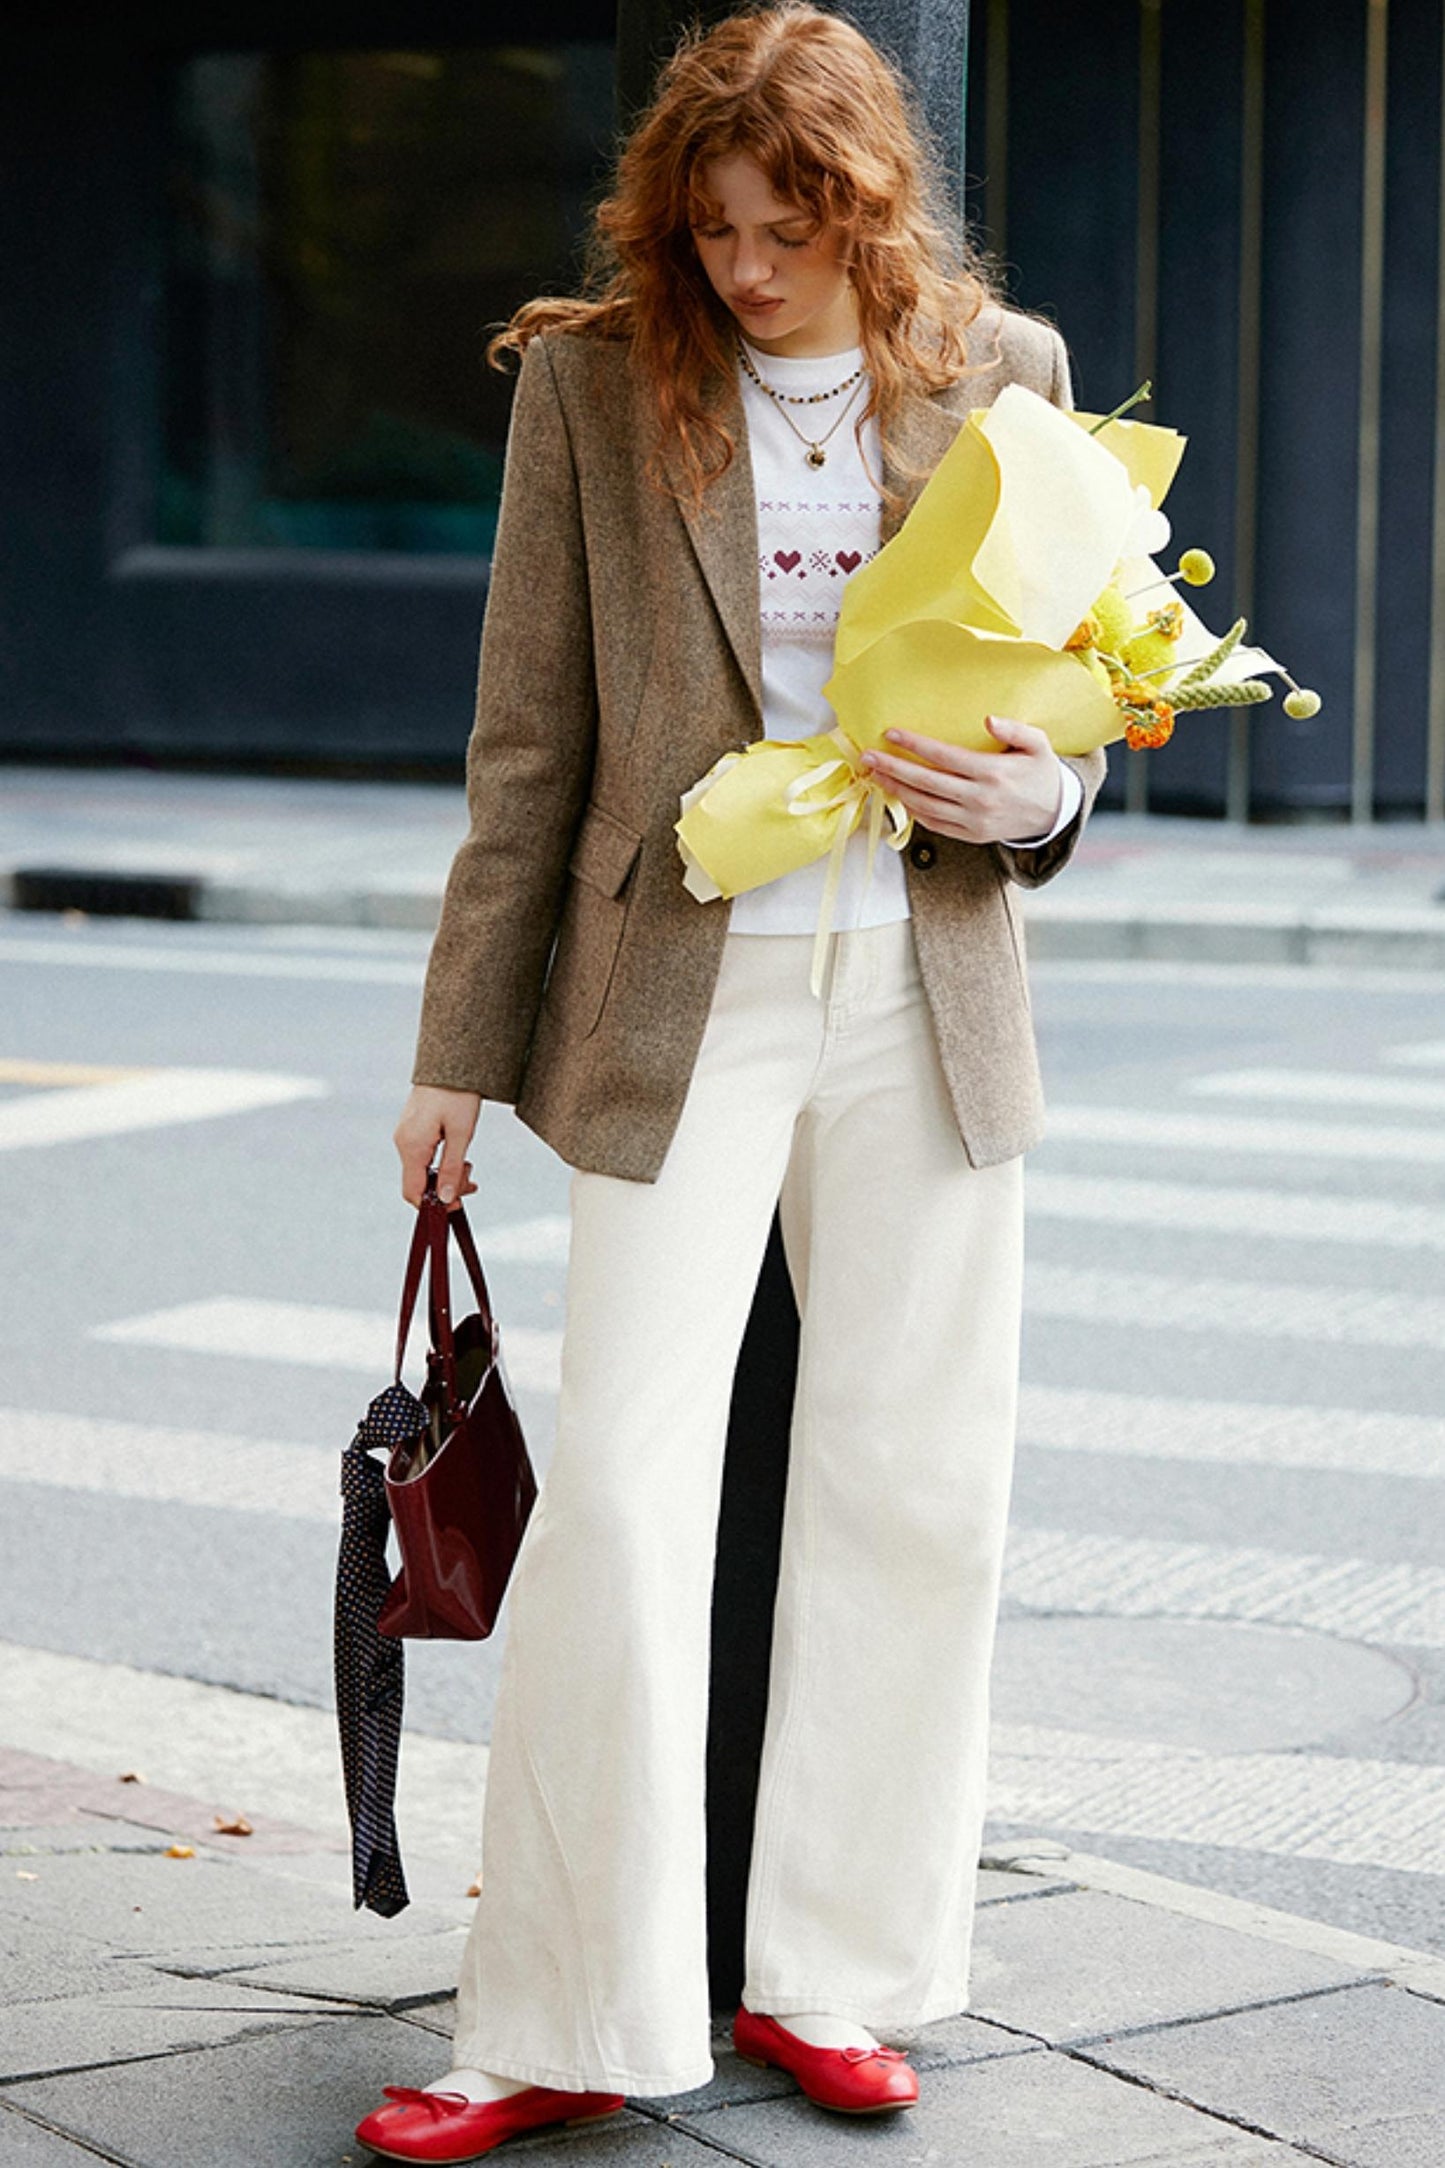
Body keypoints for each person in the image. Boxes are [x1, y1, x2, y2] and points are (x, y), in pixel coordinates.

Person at [364, 5, 1105, 2158]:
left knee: (915, 1486)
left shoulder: (1006, 378)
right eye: (712, 226)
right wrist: (449, 1054)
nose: (747, 268)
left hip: (925, 983)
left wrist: (1036, 786)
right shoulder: (594, 385)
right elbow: (528, 753)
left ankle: (845, 1976)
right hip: (676, 995)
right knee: (618, 1503)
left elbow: (1080, 708)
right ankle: (555, 2012)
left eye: (787, 228)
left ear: (868, 211)